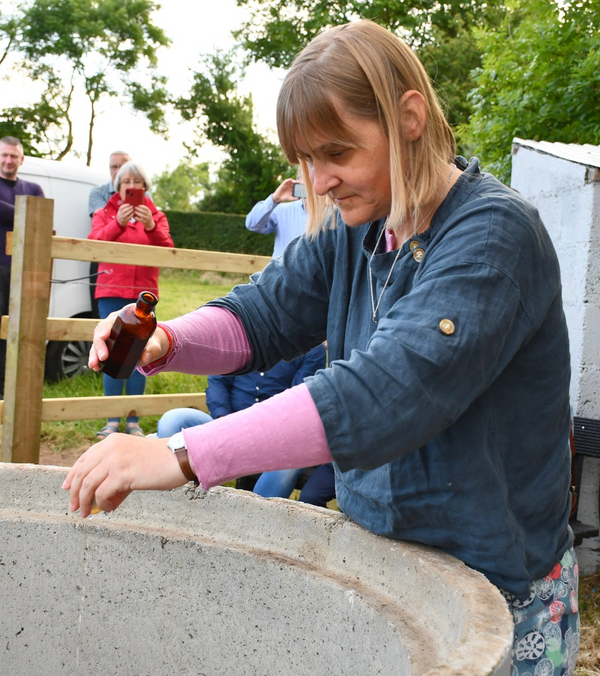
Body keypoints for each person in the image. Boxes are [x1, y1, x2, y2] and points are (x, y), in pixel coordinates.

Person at [66, 21, 578, 674]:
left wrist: (181, 452)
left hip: (502, 591)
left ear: (409, 118)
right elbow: (264, 315)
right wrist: (163, 341)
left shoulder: (493, 238)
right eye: (306, 160)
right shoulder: (357, 230)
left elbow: (386, 394)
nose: (320, 179)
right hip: (390, 565)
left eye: (335, 152)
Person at [156, 344, 335, 507]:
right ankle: (186, 503)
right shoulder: (241, 339)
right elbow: (218, 382)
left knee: (287, 469)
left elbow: (298, 403)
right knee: (172, 419)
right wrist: (222, 420)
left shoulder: (312, 350)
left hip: (275, 440)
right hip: (226, 425)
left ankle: (250, 518)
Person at [89, 160, 174, 438]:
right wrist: (118, 223)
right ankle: (112, 420)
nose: (132, 187)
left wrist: (151, 226)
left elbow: (168, 250)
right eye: (127, 182)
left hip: (143, 297)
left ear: (145, 187)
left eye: (137, 182)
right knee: (111, 354)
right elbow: (95, 243)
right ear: (118, 186)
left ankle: (133, 421)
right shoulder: (104, 212)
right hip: (112, 291)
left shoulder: (157, 215)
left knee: (140, 354)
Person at [0, 137, 44, 397]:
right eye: (4, 155)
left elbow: (40, 216)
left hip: (25, 270)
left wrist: (18, 212)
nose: (8, 160)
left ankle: (12, 391)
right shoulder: (30, 195)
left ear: (21, 159)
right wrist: (24, 212)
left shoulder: (33, 187)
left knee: (22, 331)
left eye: (14, 156)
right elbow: (31, 213)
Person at [245, 177, 307, 257]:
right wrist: (274, 198)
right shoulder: (283, 210)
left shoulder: (328, 213)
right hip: (282, 269)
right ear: (297, 182)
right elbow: (252, 224)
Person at [88, 151, 131, 217]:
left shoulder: (143, 195)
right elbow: (102, 218)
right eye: (114, 167)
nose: (118, 171)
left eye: (123, 167)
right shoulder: (99, 192)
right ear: (109, 169)